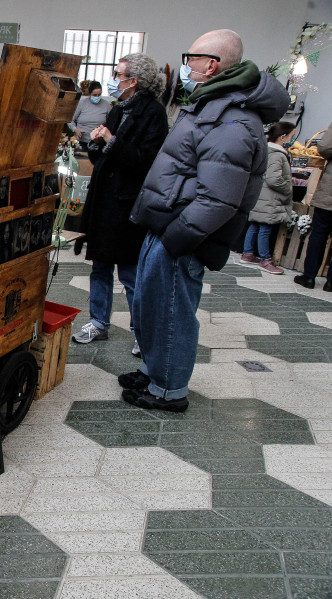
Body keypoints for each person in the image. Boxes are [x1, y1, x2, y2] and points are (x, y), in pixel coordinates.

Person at [121, 29, 289, 412]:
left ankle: (169, 389)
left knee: (171, 313)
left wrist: (174, 238)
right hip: (166, 223)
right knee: (151, 305)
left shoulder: (233, 120)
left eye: (191, 57)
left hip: (180, 233)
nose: (186, 65)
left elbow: (219, 199)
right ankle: (154, 371)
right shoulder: (212, 104)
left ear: (211, 65)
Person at [71, 54, 169, 357]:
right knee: (100, 267)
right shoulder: (118, 109)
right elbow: (102, 156)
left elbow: (146, 162)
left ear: (133, 81)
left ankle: (142, 331)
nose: (114, 78)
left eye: (118, 74)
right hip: (104, 202)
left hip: (128, 205)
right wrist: (97, 143)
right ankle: (98, 322)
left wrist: (112, 141)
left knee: (130, 273)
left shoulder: (153, 113)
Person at [241, 121, 296, 274]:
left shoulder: (265, 150)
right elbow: (273, 178)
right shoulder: (278, 155)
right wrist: (288, 188)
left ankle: (247, 253)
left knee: (255, 224)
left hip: (260, 194)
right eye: (291, 136)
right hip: (270, 197)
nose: (292, 139)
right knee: (265, 227)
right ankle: (265, 259)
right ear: (283, 137)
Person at [294, 123, 332, 291]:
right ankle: (331, 282)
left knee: (319, 234)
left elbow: (325, 147)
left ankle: (309, 277)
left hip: (330, 194)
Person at [70, 81, 112, 152]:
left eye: (99, 94)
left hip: (99, 142)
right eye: (94, 95)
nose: (97, 97)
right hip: (81, 142)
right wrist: (75, 129)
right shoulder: (82, 104)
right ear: (89, 94)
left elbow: (111, 122)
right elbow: (70, 119)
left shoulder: (106, 105)